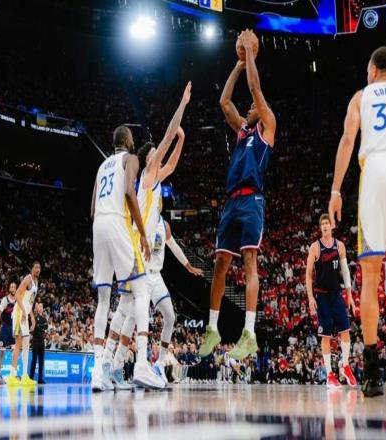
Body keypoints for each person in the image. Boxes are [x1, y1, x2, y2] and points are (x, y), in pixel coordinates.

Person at [102, 83, 192, 390]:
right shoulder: (147, 175)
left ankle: (112, 367)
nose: (159, 158)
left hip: (133, 247)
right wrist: (182, 105)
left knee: (128, 308)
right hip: (132, 245)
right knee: (127, 308)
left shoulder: (155, 179)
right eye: (155, 156)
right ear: (149, 160)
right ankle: (115, 365)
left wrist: (182, 139)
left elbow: (172, 163)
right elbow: (165, 139)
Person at [200, 29, 276, 359]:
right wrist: (239, 63)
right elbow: (224, 102)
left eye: (254, 105)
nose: (250, 106)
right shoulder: (242, 130)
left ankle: (249, 334)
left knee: (249, 262)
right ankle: (212, 328)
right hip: (232, 201)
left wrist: (251, 56)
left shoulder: (268, 125)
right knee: (220, 264)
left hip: (252, 200)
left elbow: (255, 89)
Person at [328, 46, 386, 398]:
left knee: (370, 276)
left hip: (375, 171)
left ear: (374, 69)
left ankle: (372, 373)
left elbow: (349, 139)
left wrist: (336, 190)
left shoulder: (361, 96)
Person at [90, 123, 156, 391]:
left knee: (103, 299)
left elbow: (92, 208)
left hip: (98, 225)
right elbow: (130, 191)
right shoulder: (130, 159)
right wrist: (142, 233)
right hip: (117, 222)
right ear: (128, 141)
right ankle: (141, 365)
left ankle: (98, 372)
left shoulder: (101, 166)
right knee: (141, 289)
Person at [112, 216, 203, 388]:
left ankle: (160, 363)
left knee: (170, 317)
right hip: (142, 274)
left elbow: (174, 246)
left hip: (157, 277)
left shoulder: (164, 225)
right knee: (132, 318)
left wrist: (189, 267)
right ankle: (117, 364)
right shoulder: (142, 218)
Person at [305, 214, 357, 389]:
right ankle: (329, 375)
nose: (325, 226)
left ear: (331, 226)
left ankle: (345, 365)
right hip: (322, 296)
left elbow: (345, 272)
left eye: (327, 223)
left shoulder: (339, 246)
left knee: (346, 331)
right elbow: (308, 274)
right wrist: (310, 297)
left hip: (336, 295)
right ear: (320, 228)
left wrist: (350, 295)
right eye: (323, 224)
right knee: (326, 336)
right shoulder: (315, 247)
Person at [6, 262, 40, 386]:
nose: (38, 269)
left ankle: (25, 376)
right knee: (18, 344)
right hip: (19, 313)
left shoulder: (36, 283)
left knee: (26, 345)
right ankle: (12, 376)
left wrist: (32, 317)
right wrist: (24, 312)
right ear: (32, 269)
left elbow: (29, 302)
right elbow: (17, 295)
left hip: (25, 314)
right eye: (36, 267)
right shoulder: (28, 279)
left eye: (39, 267)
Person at [0, 281, 17, 384]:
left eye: (14, 287)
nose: (12, 288)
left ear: (16, 289)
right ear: (9, 289)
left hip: (13, 330)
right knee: (2, 352)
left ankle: (13, 375)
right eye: (11, 287)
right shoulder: (5, 299)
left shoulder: (18, 300)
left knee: (14, 352)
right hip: (4, 329)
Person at [30, 302, 48, 384]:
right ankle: (31, 377)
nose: (40, 308)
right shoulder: (34, 318)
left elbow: (46, 326)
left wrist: (39, 326)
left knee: (41, 360)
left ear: (43, 309)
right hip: (35, 341)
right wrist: (41, 326)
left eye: (41, 307)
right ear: (37, 309)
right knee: (34, 359)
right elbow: (34, 328)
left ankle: (40, 378)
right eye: (39, 307)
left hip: (42, 341)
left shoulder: (44, 319)